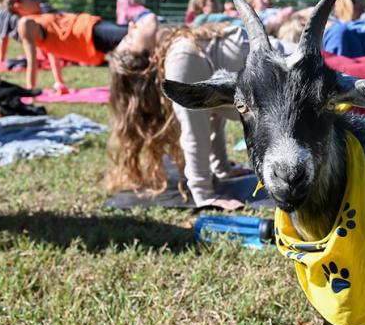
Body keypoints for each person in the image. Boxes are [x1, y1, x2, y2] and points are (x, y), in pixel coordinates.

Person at [108, 20, 255, 210]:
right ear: (147, 59)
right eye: (129, 38)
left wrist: (222, 168)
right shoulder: (180, 57)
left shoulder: (181, 48)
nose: (131, 24)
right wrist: (204, 194)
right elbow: (195, 131)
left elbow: (213, 111)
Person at [5, 0, 133, 94]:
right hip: (88, 33)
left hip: (90, 26)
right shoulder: (26, 23)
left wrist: (59, 82)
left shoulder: (39, 17)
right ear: (18, 6)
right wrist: (30, 90)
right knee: (138, 33)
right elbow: (32, 60)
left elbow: (52, 49)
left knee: (137, 32)